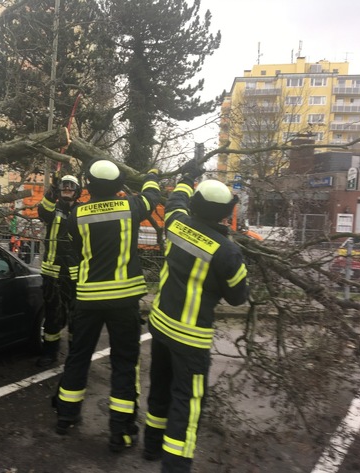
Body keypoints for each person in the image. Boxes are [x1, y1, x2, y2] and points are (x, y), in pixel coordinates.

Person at [143, 169, 249, 472]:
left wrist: (187, 179)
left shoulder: (176, 224)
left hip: (161, 325)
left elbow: (176, 199)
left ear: (196, 204)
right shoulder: (228, 252)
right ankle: (175, 466)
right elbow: (238, 297)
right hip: (191, 340)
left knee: (160, 388)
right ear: (226, 213)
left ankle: (151, 445)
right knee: (187, 404)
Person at [53, 159, 162, 453]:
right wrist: (151, 174)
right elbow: (153, 196)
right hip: (123, 300)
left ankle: (65, 416)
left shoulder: (77, 213)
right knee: (124, 364)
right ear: (118, 187)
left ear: (87, 185)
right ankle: (120, 432)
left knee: (78, 356)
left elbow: (76, 249)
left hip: (88, 298)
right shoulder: (131, 206)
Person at [36, 174, 82, 367]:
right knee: (53, 317)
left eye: (71, 188)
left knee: (76, 319)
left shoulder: (82, 211)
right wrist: (51, 192)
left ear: (77, 191)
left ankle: (75, 356)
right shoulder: (52, 209)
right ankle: (50, 354)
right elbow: (42, 211)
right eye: (64, 187)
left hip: (75, 276)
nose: (67, 190)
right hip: (52, 274)